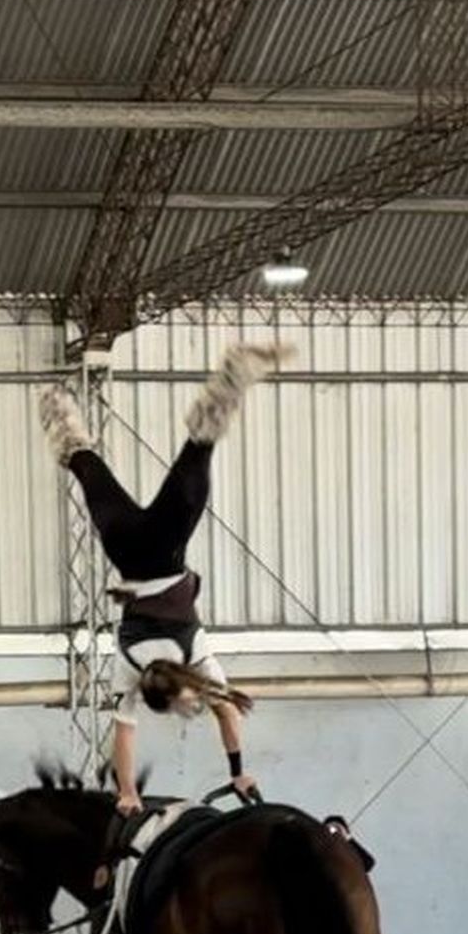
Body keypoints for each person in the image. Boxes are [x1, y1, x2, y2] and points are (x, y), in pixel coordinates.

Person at [38, 343, 291, 815]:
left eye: (181, 704)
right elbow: (124, 734)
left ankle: (232, 378)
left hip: (163, 549)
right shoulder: (132, 665)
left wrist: (237, 769)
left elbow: (227, 713)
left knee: (198, 454)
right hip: (125, 551)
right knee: (87, 467)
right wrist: (126, 791)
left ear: (180, 686)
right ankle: (58, 413)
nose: (187, 708)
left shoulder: (196, 659)